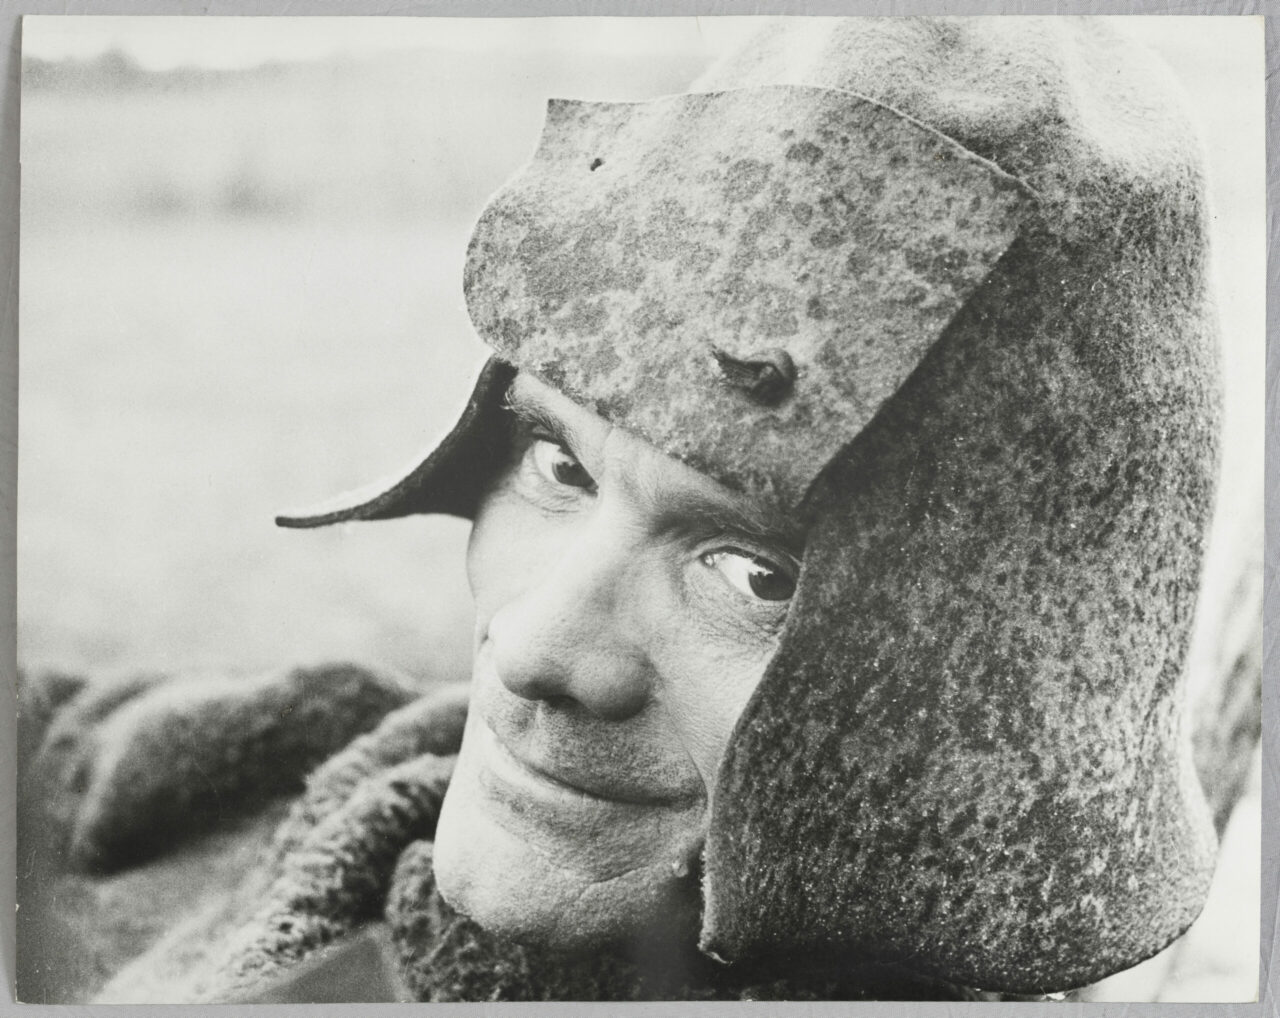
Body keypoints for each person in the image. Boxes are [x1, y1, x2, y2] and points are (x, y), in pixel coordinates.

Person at [16, 16, 1261, 1003]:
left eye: (752, 571)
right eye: (557, 463)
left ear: (984, 705)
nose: (534, 646)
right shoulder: (321, 765)